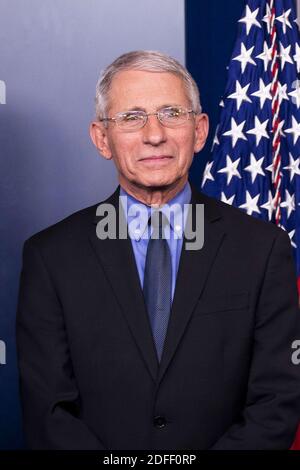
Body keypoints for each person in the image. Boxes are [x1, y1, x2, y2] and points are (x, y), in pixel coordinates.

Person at [16, 50, 300, 450]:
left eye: (172, 113)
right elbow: (49, 413)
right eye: (131, 117)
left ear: (199, 131)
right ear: (102, 138)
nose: (154, 134)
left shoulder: (262, 248)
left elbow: (278, 400)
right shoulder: (50, 257)